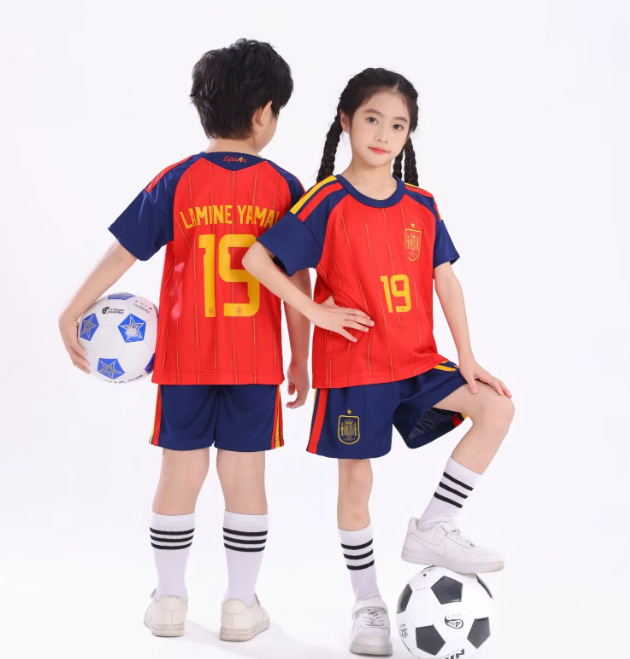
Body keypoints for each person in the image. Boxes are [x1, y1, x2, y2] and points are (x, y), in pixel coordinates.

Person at [243, 67, 514, 656]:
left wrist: (467, 358)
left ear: (408, 134)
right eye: (372, 119)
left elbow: (446, 281)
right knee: (357, 480)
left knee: (495, 408)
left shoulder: (421, 204)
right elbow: (258, 261)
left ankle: (435, 525)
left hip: (416, 360)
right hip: (354, 368)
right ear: (345, 121)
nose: (383, 134)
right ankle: (367, 603)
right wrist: (315, 313)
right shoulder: (326, 201)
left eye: (398, 125)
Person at [58, 39, 310, 643]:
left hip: (185, 356)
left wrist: (72, 309)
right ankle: (239, 606)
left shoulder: (177, 180)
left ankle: (169, 601)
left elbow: (123, 251)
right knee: (244, 476)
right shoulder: (284, 186)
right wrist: (300, 357)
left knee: (180, 471)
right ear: (263, 114)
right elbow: (298, 282)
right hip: (254, 361)